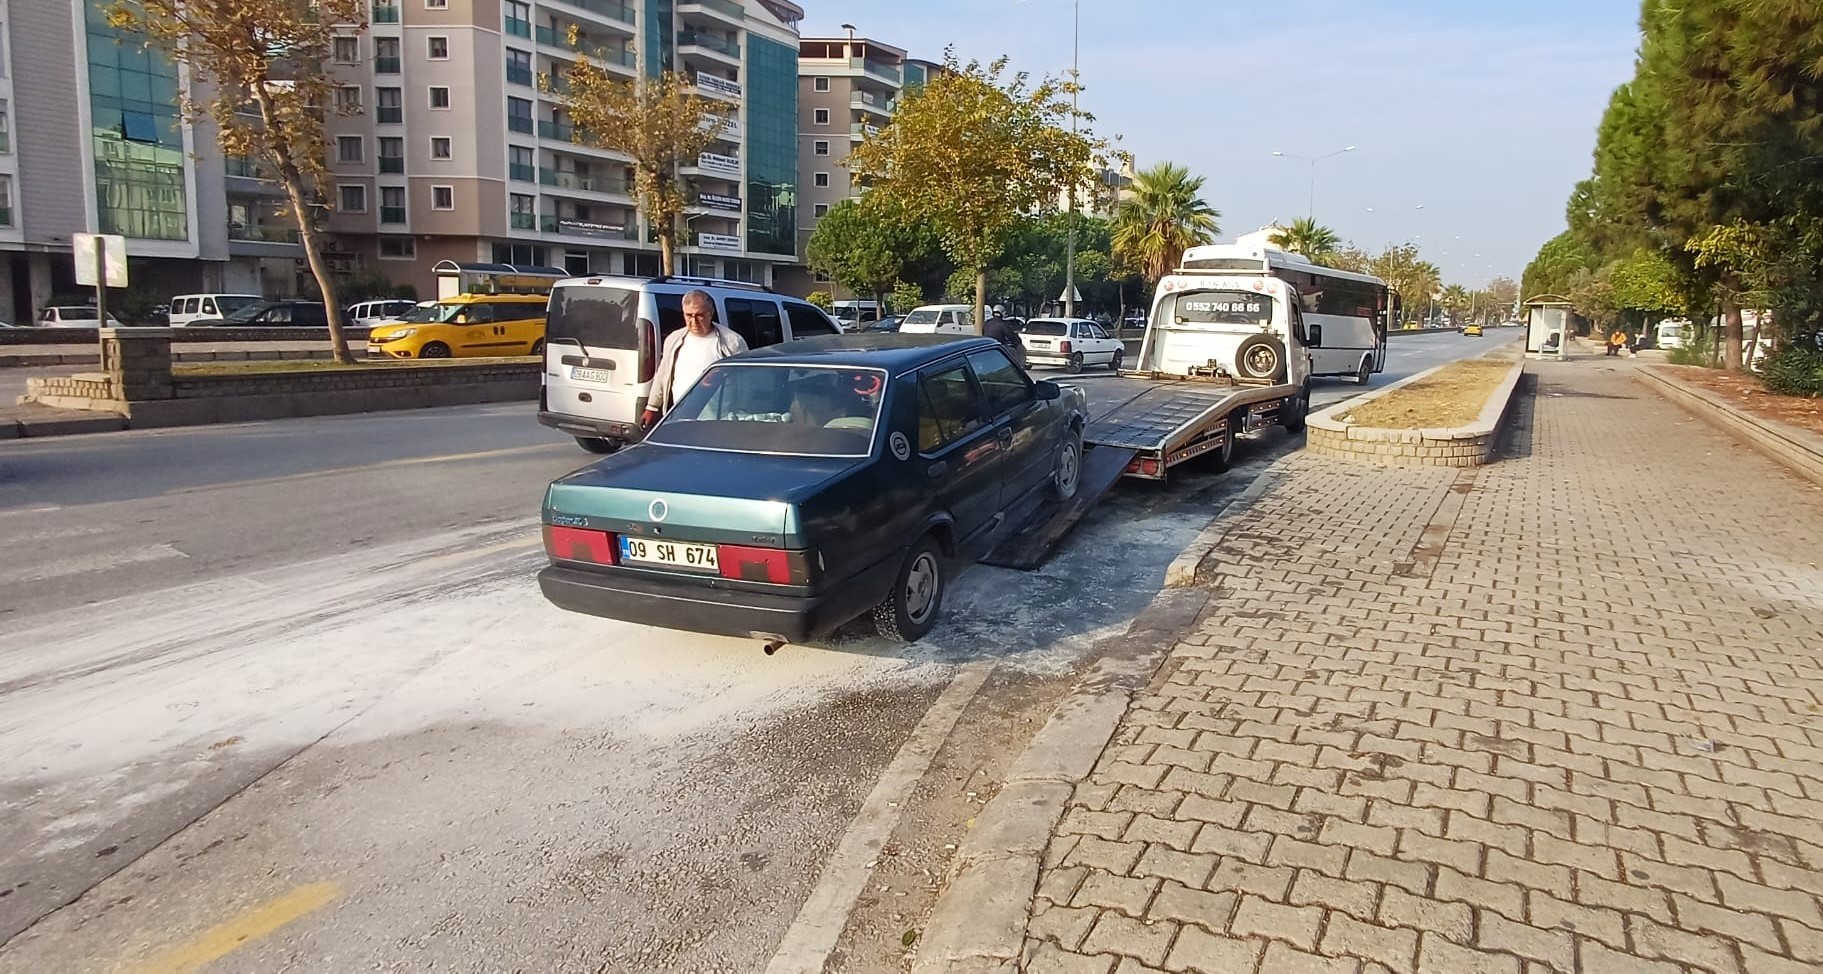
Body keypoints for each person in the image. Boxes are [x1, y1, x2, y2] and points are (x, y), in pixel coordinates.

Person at [642, 289, 749, 428]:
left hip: (718, 420)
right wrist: (652, 407)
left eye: (700, 315)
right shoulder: (675, 339)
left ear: (710, 314)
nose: (694, 321)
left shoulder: (731, 342)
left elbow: (746, 381)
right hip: (680, 416)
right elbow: (663, 374)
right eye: (689, 315)